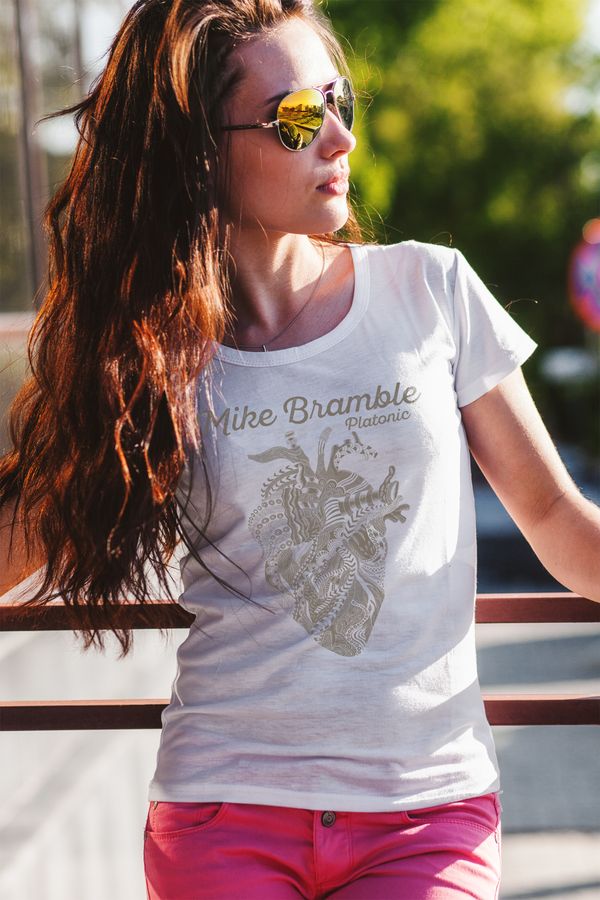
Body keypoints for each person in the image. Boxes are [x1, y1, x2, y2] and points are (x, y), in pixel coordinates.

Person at [1, 1, 599, 897]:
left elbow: (553, 516)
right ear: (204, 153)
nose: (340, 139)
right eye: (295, 118)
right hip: (224, 809)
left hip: (426, 812)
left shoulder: (432, 290)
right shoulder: (153, 357)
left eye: (338, 102)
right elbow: (26, 533)